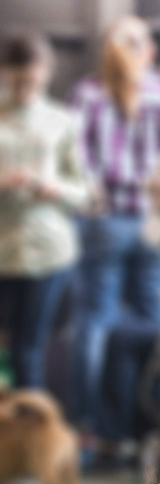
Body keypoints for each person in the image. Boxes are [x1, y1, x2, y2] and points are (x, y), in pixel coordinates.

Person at [69, 15, 160, 455]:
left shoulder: (88, 96)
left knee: (95, 325)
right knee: (151, 321)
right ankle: (148, 422)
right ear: (149, 51)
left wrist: (90, 196)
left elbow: (71, 157)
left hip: (105, 223)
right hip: (156, 225)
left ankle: (93, 432)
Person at [0, 31, 88, 390]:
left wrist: (55, 189)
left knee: (28, 350)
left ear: (46, 74)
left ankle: (26, 423)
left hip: (48, 252)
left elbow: (84, 190)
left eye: (32, 82)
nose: (25, 89)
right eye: (16, 82)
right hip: (4, 249)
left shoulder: (62, 121)